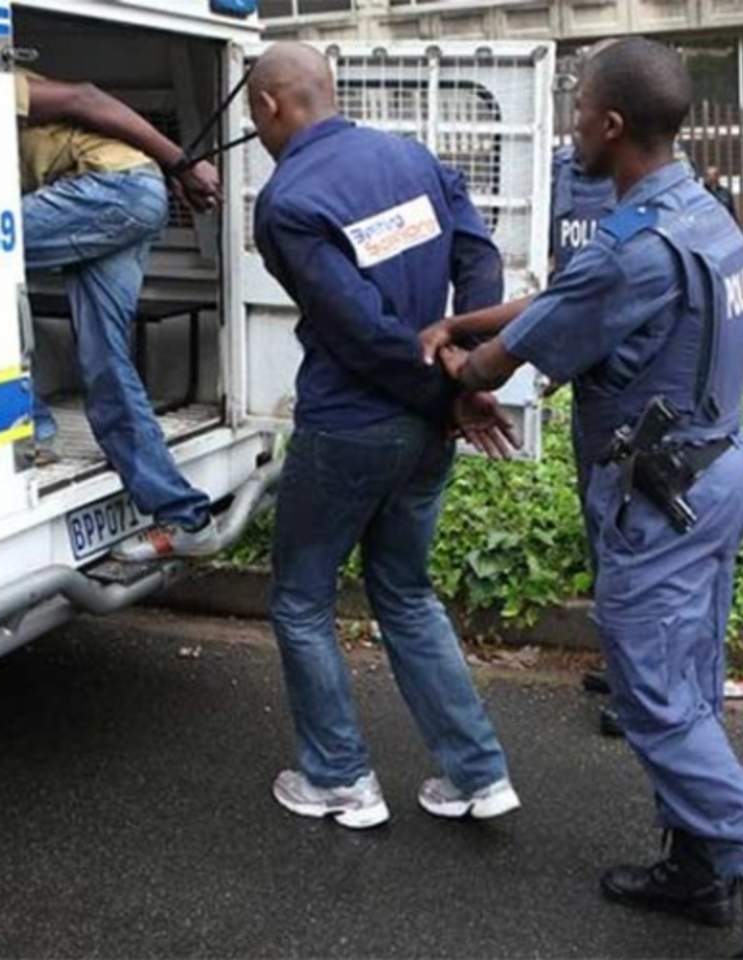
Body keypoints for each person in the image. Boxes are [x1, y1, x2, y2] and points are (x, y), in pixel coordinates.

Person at [422, 38, 743, 959]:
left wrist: (455, 360)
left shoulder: (631, 249)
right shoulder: (703, 216)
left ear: (611, 124)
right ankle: (698, 868)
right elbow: (565, 304)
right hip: (712, 476)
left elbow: (507, 359)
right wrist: (473, 318)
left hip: (660, 501)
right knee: (688, 680)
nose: (572, 123)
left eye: (578, 108)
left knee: (653, 698)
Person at [246, 42, 521, 830]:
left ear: (269, 106)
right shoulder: (412, 158)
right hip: (427, 430)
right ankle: (478, 776)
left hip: (350, 426)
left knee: (302, 598)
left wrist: (454, 390)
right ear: (327, 88)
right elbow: (477, 254)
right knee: (403, 591)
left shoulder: (288, 202)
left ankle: (338, 779)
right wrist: (467, 372)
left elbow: (361, 332)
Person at [14, 70, 224, 561]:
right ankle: (186, 517)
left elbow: (85, 97)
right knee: (105, 360)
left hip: (110, 188)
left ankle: (33, 428)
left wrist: (182, 163)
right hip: (128, 190)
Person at [551, 57, 625, 739]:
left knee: (635, 542)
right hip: (589, 385)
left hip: (634, 398)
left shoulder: (651, 199)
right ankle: (621, 659)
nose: (574, 125)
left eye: (582, 111)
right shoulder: (557, 176)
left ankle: (642, 685)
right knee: (602, 527)